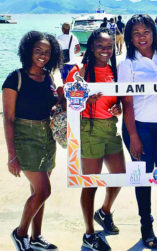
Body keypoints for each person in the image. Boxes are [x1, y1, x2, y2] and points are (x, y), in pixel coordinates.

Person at [118, 14, 157, 249]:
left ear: (154, 32)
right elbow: (127, 102)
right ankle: (146, 224)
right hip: (139, 128)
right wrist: (133, 135)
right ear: (129, 37)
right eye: (136, 33)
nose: (141, 37)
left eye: (146, 32)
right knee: (142, 179)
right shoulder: (127, 63)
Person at [65, 28, 127, 251]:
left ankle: (104, 212)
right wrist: (84, 101)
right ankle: (89, 234)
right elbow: (66, 102)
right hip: (89, 129)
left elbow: (117, 99)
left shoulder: (114, 71)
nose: (105, 50)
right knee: (90, 183)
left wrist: (118, 107)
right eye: (101, 46)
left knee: (120, 176)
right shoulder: (80, 71)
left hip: (111, 129)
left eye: (109, 46)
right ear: (92, 47)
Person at [2, 31, 61, 251]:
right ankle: (20, 234)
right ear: (28, 51)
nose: (43, 56)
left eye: (47, 52)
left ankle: (36, 238)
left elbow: (52, 104)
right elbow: (8, 119)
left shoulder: (49, 77)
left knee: (37, 192)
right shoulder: (14, 78)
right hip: (25, 138)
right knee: (44, 190)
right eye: (38, 51)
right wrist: (11, 155)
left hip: (47, 137)